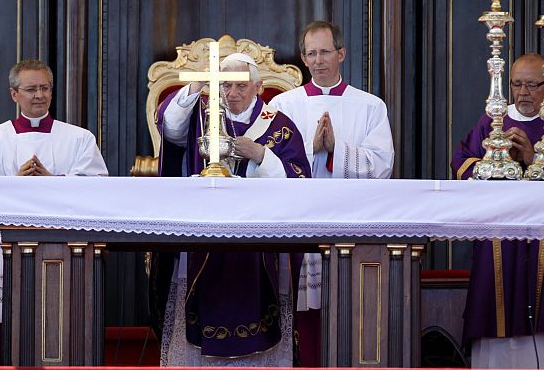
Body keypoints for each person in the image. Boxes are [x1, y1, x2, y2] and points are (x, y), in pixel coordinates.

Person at [153, 52, 311, 367]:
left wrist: (262, 155)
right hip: (203, 233)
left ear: (258, 87)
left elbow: (300, 179)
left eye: (241, 86)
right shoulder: (202, 115)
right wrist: (198, 83)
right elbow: (169, 129)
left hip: (259, 243)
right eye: (225, 86)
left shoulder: (278, 124)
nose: (232, 94)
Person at [0, 59, 108, 365]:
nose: (38, 95)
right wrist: (15, 183)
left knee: (60, 319)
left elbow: (97, 191)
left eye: (44, 88)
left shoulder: (79, 139)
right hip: (3, 252)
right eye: (30, 89)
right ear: (14, 94)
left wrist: (53, 182)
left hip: (66, 253)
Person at [451, 53, 544, 369]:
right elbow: (462, 162)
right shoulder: (493, 120)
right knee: (500, 320)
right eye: (516, 84)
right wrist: (495, 164)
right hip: (501, 238)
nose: (522, 93)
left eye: (532, 85)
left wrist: (534, 158)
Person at [269, 20, 394, 366]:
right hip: (297, 223)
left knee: (349, 310)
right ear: (303, 58)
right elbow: (266, 166)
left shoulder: (370, 106)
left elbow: (382, 165)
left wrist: (338, 149)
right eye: (312, 53)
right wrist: (311, 148)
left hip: (349, 221)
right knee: (301, 314)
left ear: (342, 54)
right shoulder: (283, 106)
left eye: (326, 52)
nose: (319, 60)